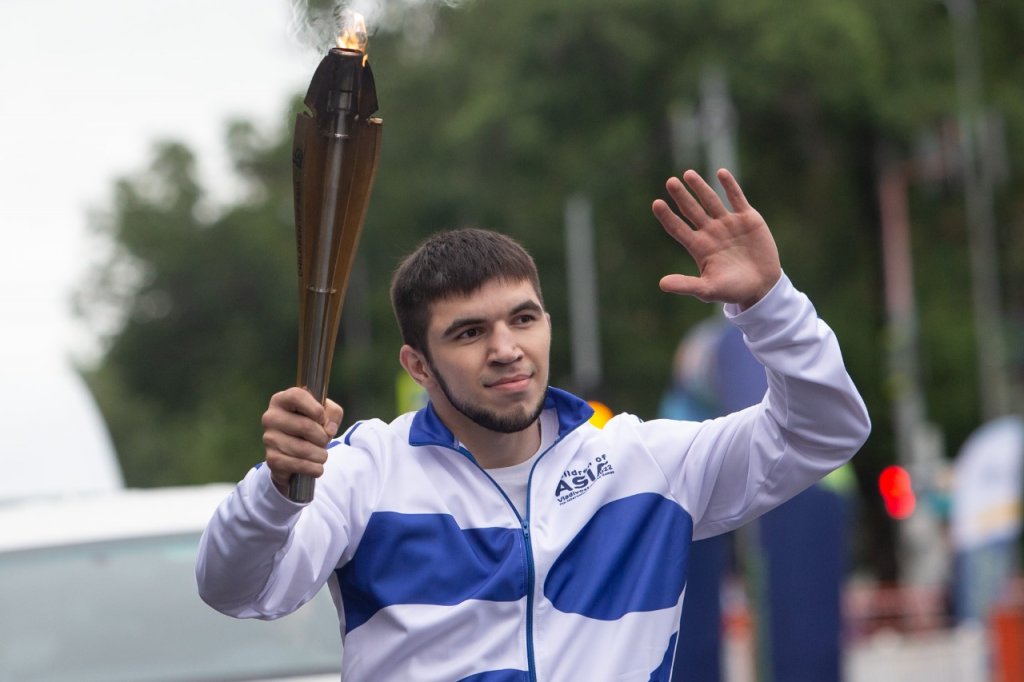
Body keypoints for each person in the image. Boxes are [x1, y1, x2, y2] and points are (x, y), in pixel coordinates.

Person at [196, 169, 871, 681]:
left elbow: (825, 431)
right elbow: (238, 589)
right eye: (469, 332)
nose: (506, 349)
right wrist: (276, 491)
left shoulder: (642, 463)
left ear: (547, 324)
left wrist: (769, 305)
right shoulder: (365, 472)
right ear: (418, 364)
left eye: (522, 319)